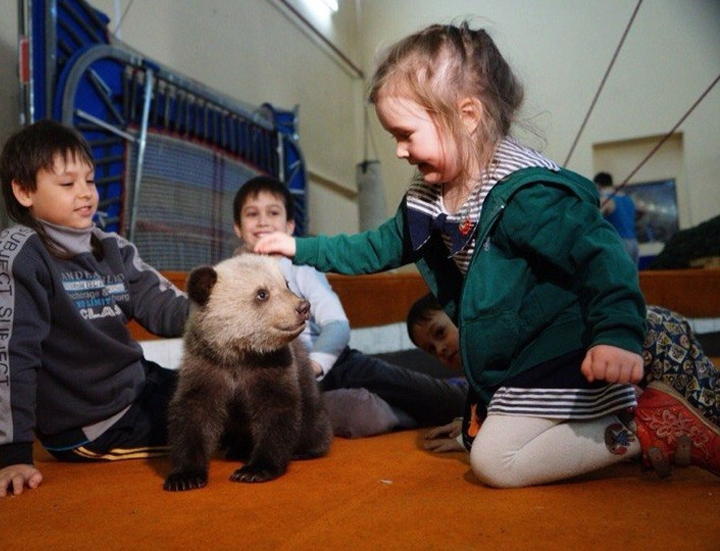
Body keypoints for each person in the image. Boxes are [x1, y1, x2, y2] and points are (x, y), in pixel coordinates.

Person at [254, 22, 720, 486]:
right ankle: (631, 425)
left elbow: (601, 254)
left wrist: (616, 333)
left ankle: (648, 423)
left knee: (496, 463)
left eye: (406, 133)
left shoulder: (525, 196)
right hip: (518, 359)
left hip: (562, 349)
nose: (398, 150)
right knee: (482, 443)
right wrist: (300, 247)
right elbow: (374, 245)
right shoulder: (429, 200)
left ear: (468, 115)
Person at [0, 120, 190, 498]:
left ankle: (323, 390)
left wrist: (231, 314)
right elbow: (12, 354)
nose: (86, 193)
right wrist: (14, 454)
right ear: (24, 191)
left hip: (138, 387)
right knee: (227, 424)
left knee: (235, 391)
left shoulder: (109, 246)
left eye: (89, 180)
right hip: (94, 424)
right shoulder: (19, 254)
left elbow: (166, 307)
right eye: (68, 183)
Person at [233, 175, 466, 437]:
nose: (263, 221)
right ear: (238, 228)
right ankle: (398, 415)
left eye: (272, 213)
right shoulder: (232, 279)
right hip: (285, 381)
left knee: (436, 399)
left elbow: (337, 325)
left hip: (336, 362)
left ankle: (463, 394)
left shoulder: (300, 267)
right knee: (355, 412)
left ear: (289, 226)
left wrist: (316, 363)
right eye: (252, 214)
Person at [409, 294, 720, 455]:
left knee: (708, 416)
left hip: (646, 337)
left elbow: (530, 405)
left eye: (440, 332)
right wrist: (472, 425)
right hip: (631, 349)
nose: (441, 350)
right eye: (430, 350)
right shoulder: (486, 361)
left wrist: (471, 437)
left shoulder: (495, 343)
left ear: (462, 313)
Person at [594, 171, 639, 266]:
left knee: (618, 277)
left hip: (619, 243)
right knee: (632, 278)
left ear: (598, 185)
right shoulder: (628, 199)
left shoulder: (606, 200)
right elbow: (641, 213)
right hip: (633, 242)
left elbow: (594, 218)